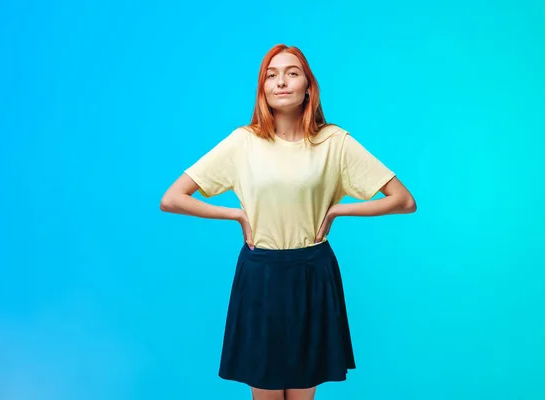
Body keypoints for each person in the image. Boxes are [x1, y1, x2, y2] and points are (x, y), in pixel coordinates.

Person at [160, 44, 417, 400]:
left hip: (312, 272)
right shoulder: (243, 143)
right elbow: (172, 198)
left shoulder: (334, 143)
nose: (281, 82)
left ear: (308, 87)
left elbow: (403, 200)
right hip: (260, 274)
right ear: (263, 88)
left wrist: (339, 210)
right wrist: (235, 214)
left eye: (292, 73)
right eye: (271, 74)